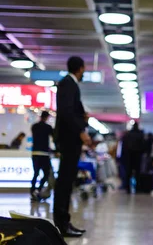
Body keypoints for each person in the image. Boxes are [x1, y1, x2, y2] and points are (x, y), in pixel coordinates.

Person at [53, 56, 92, 238]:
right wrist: (81, 131)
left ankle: (63, 222)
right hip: (70, 140)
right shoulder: (68, 84)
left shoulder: (67, 83)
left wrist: (82, 117)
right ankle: (62, 223)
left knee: (66, 180)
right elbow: (67, 112)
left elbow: (70, 111)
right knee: (65, 181)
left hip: (69, 139)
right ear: (81, 68)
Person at [30, 111, 54, 201]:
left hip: (35, 153)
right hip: (44, 153)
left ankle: (32, 191)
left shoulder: (34, 126)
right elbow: (53, 137)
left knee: (36, 173)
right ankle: (39, 189)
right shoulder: (48, 127)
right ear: (47, 117)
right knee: (46, 174)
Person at [122, 122, 145, 194]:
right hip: (138, 156)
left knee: (128, 173)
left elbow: (124, 146)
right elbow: (143, 146)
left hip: (129, 157)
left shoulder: (127, 135)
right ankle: (138, 188)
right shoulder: (141, 135)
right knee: (137, 173)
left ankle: (128, 188)